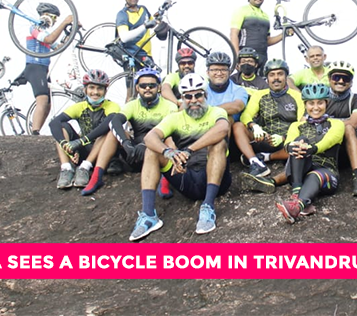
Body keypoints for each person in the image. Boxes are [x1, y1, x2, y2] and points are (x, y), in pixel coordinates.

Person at [131, 74, 230, 240]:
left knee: (218, 143)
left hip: (217, 180)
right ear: (182, 98)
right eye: (188, 97)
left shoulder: (217, 112)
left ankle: (208, 206)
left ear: (205, 95)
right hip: (186, 177)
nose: (193, 100)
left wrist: (189, 150)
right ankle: (149, 215)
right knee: (152, 151)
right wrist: (168, 152)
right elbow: (150, 137)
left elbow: (222, 129)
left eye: (198, 95)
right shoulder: (174, 118)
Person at [80, 67, 178, 196]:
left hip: (158, 153)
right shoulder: (132, 105)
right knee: (112, 133)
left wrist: (146, 144)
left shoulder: (170, 106)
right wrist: (126, 143)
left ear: (159, 87)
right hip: (135, 154)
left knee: (170, 139)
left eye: (152, 85)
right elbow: (115, 122)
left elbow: (171, 130)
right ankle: (96, 177)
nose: (147, 88)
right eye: (143, 86)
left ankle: (165, 182)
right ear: (137, 88)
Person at [275, 83, 343, 223]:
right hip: (301, 171)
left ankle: (297, 205)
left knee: (315, 175)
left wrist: (313, 149)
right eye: (311, 103)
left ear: (326, 103)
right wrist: (293, 147)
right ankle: (296, 197)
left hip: (327, 173)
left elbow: (330, 140)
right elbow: (288, 143)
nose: (316, 107)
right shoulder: (297, 126)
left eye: (320, 103)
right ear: (305, 104)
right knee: (300, 141)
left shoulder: (336, 124)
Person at [234, 59, 304, 193]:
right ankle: (255, 162)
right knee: (238, 126)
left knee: (301, 144)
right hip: (264, 137)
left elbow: (302, 122)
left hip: (286, 141)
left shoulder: (297, 96)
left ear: (286, 76)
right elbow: (245, 115)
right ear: (267, 78)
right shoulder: (260, 95)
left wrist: (284, 137)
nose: (276, 78)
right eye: (272, 75)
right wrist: (254, 126)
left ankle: (265, 157)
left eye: (280, 74)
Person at [49, 69, 121, 190]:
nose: (95, 92)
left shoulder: (112, 106)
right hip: (84, 149)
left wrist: (81, 141)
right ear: (85, 90)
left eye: (100, 88)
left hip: (103, 151)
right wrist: (65, 145)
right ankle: (66, 168)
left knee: (109, 129)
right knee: (62, 126)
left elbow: (109, 122)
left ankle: (85, 168)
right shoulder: (80, 106)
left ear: (105, 91)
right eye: (91, 88)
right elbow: (54, 123)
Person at [24, 3, 75, 135]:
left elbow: (58, 47)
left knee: (47, 105)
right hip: (34, 67)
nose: (55, 21)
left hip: (43, 68)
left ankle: (36, 131)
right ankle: (34, 132)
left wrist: (72, 30)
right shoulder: (34, 27)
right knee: (42, 100)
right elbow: (48, 39)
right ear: (46, 15)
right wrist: (64, 22)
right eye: (54, 18)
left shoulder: (46, 31)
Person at [325, 60, 357, 196]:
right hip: (323, 149)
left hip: (345, 152)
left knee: (349, 128)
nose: (341, 81)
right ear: (329, 79)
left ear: (351, 82)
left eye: (346, 78)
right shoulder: (320, 98)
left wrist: (326, 124)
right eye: (336, 77)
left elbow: (354, 122)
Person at [115, 0, 158, 100]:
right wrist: (144, 26)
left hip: (146, 56)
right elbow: (124, 37)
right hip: (132, 56)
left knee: (153, 90)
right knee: (132, 94)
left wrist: (160, 13)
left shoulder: (144, 9)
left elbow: (153, 22)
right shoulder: (122, 14)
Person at [229, 0, 283, 70]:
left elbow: (267, 41)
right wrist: (236, 56)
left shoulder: (265, 16)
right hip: (246, 55)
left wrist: (284, 34)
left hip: (263, 56)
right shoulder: (242, 10)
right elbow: (233, 34)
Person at [205, 52, 249, 122]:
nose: (219, 73)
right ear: (207, 72)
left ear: (229, 72)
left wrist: (205, 112)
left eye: (223, 70)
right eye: (215, 70)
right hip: (203, 126)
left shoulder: (239, 90)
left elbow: (236, 107)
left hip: (230, 126)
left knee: (227, 118)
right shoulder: (202, 90)